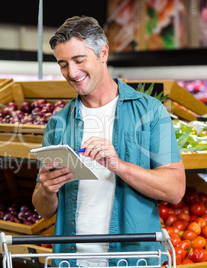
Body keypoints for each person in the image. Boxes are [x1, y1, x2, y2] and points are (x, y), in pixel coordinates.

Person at [32, 16, 186, 267]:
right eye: (63, 64)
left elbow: (175, 189)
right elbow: (43, 208)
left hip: (131, 260)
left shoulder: (150, 111)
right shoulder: (57, 123)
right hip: (71, 260)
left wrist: (119, 166)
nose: (72, 72)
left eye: (79, 60)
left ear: (103, 53)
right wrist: (46, 189)